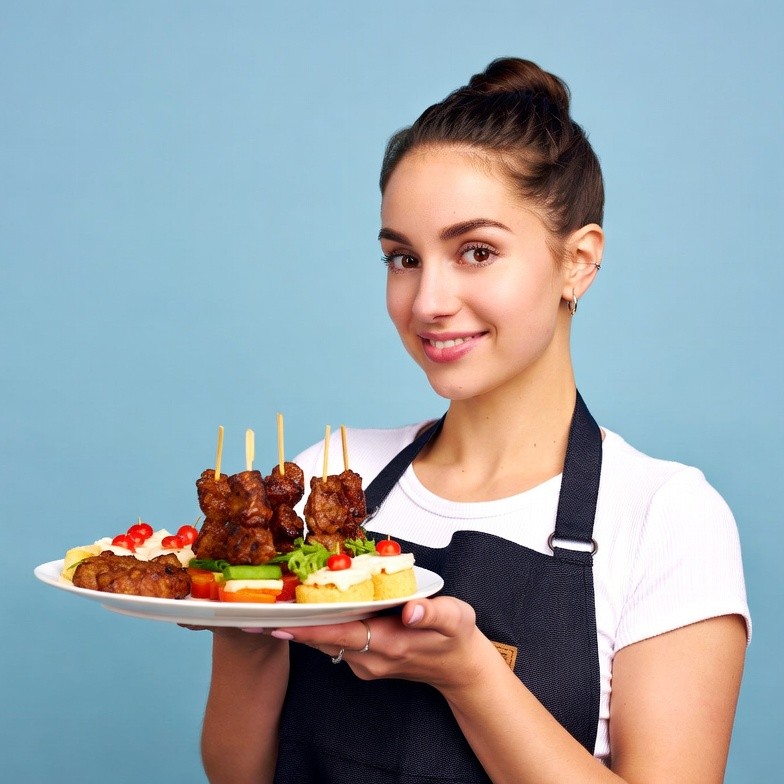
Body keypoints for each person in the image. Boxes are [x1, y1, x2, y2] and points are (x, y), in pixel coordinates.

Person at [199, 57, 750, 783]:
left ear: (577, 263)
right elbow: (240, 774)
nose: (428, 300)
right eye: (403, 258)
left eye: (477, 252)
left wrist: (471, 678)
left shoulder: (664, 516)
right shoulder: (331, 473)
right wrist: (244, 625)